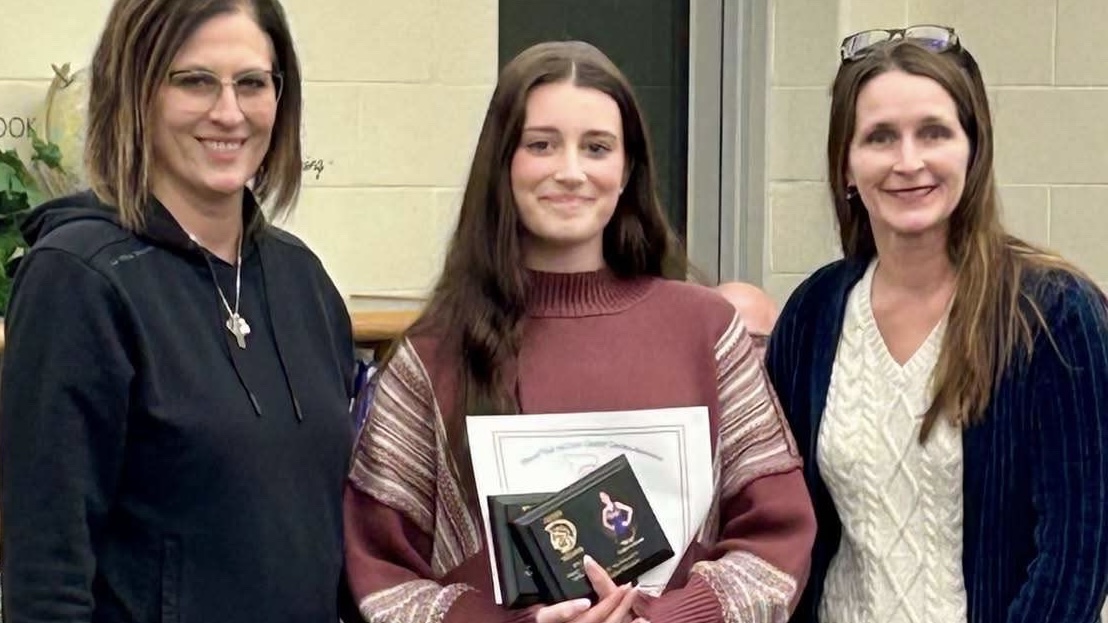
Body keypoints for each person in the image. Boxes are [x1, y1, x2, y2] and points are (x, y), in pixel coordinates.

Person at [344, 40, 815, 623]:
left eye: (597, 148)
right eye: (541, 145)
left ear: (627, 171)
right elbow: (382, 575)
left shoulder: (707, 331)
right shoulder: (434, 353)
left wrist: (668, 617)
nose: (570, 171)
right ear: (503, 164)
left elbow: (776, 539)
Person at [0, 1, 356, 621]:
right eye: (193, 81)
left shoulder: (304, 283)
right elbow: (46, 575)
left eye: (252, 83)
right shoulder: (78, 279)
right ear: (135, 92)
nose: (229, 112)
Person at [765, 26, 1108, 623]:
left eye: (934, 133)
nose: (908, 161)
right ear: (846, 164)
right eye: (878, 137)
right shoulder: (814, 315)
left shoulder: (1054, 316)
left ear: (972, 149)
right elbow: (780, 521)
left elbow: (1077, 551)